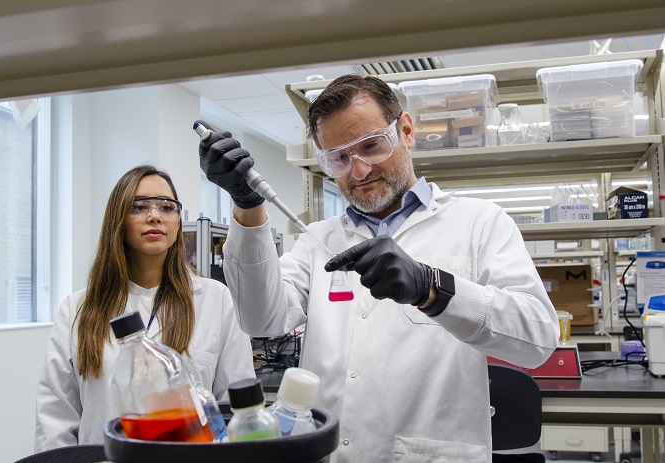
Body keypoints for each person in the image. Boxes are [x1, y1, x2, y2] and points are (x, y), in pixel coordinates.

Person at [198, 75, 558, 462]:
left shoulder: (480, 222)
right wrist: (247, 205)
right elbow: (260, 319)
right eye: (338, 158)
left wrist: (431, 288)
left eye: (371, 145)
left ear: (405, 130)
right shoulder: (320, 237)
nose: (358, 170)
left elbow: (537, 339)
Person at [34, 165, 255, 451]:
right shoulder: (78, 308)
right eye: (138, 207)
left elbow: (237, 408)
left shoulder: (216, 299)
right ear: (118, 220)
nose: (154, 216)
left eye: (166, 207)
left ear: (177, 222)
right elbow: (55, 419)